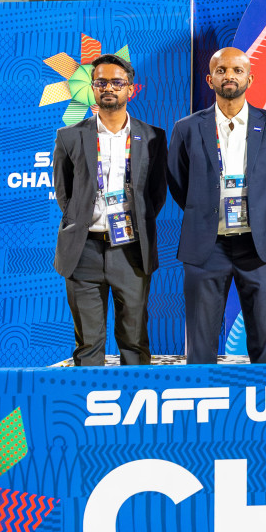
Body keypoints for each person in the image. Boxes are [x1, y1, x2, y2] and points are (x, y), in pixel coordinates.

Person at [166, 47, 266, 364]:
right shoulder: (186, 128)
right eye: (222, 70)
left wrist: (259, 213)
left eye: (238, 70)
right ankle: (202, 396)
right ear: (209, 79)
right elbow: (178, 182)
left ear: (249, 79)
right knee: (201, 347)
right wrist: (207, 212)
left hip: (259, 246)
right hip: (206, 246)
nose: (229, 76)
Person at [52, 53, 167, 366]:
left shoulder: (153, 137)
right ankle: (89, 397)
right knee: (88, 345)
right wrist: (83, 221)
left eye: (117, 82)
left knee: (134, 341)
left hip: (131, 250)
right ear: (92, 88)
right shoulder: (69, 136)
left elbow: (156, 195)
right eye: (101, 82)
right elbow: (65, 194)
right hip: (83, 250)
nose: (109, 88)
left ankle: (136, 395)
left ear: (131, 88)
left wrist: (134, 225)